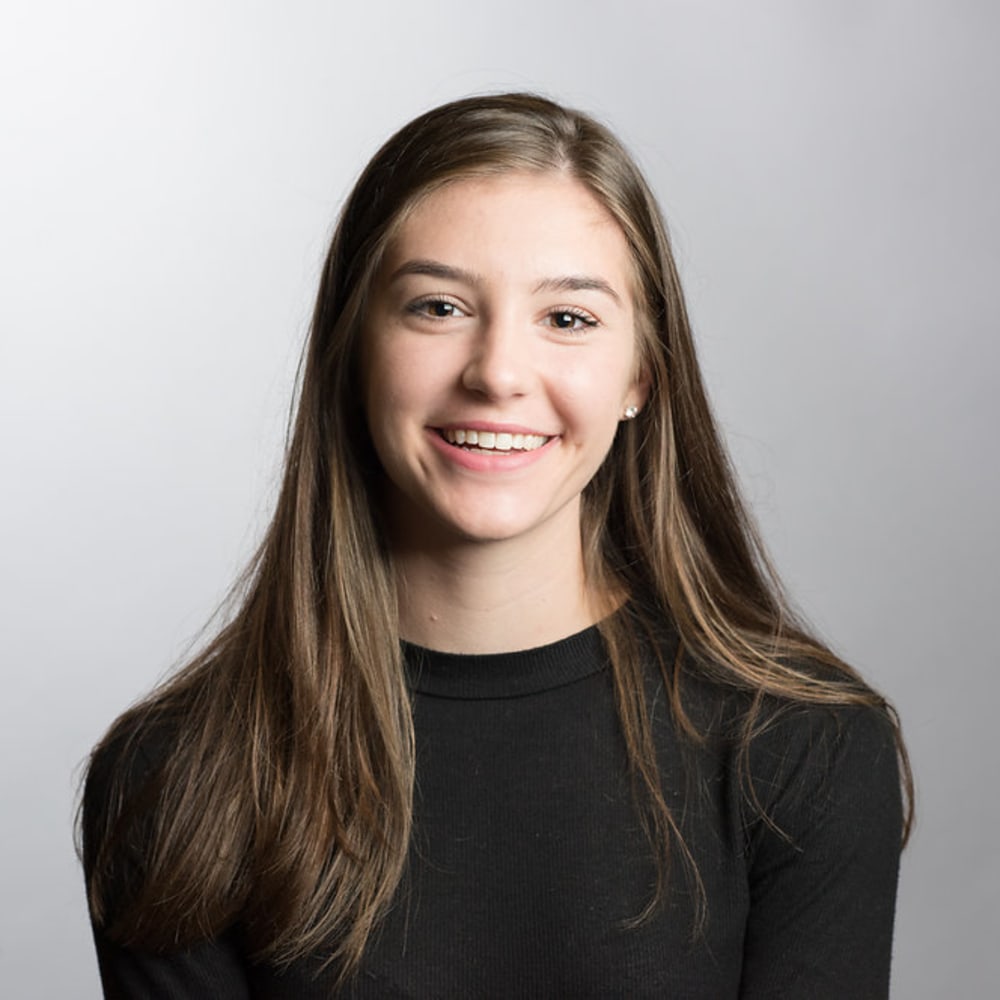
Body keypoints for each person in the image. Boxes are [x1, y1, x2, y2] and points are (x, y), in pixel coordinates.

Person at [80, 93, 911, 998]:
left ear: (641, 374)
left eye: (568, 319)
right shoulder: (177, 782)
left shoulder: (800, 748)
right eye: (438, 307)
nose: (498, 374)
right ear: (354, 349)